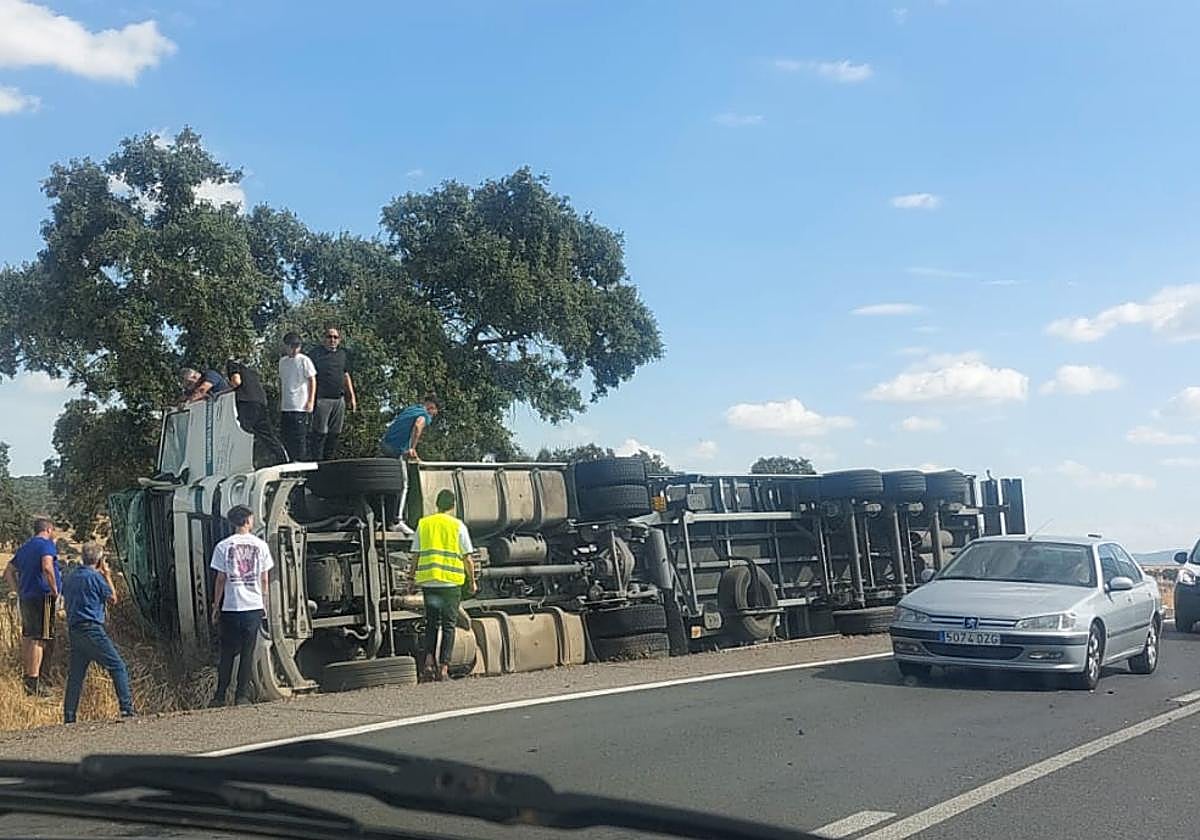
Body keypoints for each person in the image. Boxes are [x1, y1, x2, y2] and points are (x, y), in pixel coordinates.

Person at [62, 542, 135, 724]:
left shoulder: (70, 577)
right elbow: (112, 597)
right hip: (92, 628)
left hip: (74, 630)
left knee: (76, 675)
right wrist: (107, 575)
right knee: (117, 666)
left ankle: (69, 715)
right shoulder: (95, 578)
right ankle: (126, 709)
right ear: (99, 560)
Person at [209, 505, 274, 707]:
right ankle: (242, 695)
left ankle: (220, 695)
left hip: (231, 605)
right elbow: (264, 578)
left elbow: (221, 579)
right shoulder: (261, 545)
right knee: (248, 651)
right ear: (247, 520)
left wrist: (215, 605)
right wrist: (264, 601)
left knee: (227, 651)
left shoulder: (223, 546)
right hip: (253, 605)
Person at [413, 489, 476, 682]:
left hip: (429, 582)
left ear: (437, 504)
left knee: (431, 623)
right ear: (453, 505)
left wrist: (410, 578)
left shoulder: (424, 524)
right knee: (449, 625)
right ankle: (444, 667)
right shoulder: (457, 526)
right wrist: (472, 582)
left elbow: (415, 554)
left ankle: (428, 663)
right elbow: (467, 558)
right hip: (450, 583)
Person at [4, 516, 62, 696]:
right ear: (49, 529)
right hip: (43, 597)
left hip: (27, 598)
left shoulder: (25, 547)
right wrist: (54, 591)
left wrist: (19, 590)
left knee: (29, 637)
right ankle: (35, 683)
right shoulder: (46, 545)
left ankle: (29, 676)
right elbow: (47, 566)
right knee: (41, 638)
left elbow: (8, 571)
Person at [379, 393, 440, 532]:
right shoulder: (425, 415)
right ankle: (397, 520)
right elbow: (418, 426)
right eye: (434, 413)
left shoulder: (411, 409)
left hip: (385, 445)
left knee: (389, 484)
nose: (433, 416)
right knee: (403, 484)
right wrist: (412, 448)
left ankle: (385, 518)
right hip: (396, 449)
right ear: (432, 407)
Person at [307, 325, 357, 461]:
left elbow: (346, 375)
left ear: (339, 340)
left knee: (335, 433)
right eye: (329, 337)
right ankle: (317, 462)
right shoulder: (315, 354)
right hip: (322, 398)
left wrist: (351, 397)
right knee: (320, 432)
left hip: (338, 399)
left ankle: (329, 461)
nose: (332, 340)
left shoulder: (343, 354)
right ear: (324, 339)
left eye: (335, 337)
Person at [226, 358, 288, 466]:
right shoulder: (251, 371)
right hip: (261, 402)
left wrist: (225, 391)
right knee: (267, 434)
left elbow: (236, 381)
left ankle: (244, 463)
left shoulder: (232, 364)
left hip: (247, 402)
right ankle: (282, 458)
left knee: (244, 432)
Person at [277, 332, 316, 461]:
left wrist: (310, 401)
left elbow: (312, 380)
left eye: (297, 346)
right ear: (286, 346)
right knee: (286, 437)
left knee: (300, 438)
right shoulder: (283, 362)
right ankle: (289, 462)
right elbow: (282, 381)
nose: (294, 349)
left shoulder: (304, 360)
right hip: (286, 406)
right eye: (292, 346)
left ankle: (300, 463)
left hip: (300, 406)